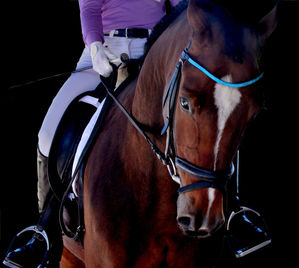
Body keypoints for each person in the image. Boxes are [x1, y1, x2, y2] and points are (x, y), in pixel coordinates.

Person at [3, 1, 181, 267]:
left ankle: (232, 213)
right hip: (105, 49)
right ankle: (45, 229)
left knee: (209, 112)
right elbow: (90, 9)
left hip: (158, 50)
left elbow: (183, 6)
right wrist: (95, 47)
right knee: (48, 134)